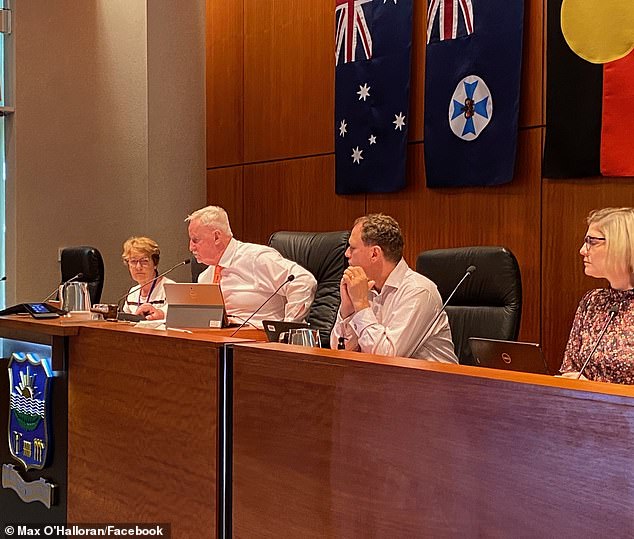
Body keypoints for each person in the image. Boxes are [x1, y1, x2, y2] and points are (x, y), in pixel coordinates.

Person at [330, 213, 458, 363]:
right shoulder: (364, 288)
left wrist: (361, 305)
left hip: (433, 384)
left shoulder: (418, 291)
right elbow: (341, 352)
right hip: (382, 383)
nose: (346, 254)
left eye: (352, 248)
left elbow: (388, 359)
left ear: (374, 254)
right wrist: (348, 311)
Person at [186, 205, 317, 326]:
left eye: (195, 240)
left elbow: (303, 281)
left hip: (260, 343)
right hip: (219, 343)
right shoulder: (206, 276)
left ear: (217, 237)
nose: (191, 247)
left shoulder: (256, 258)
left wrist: (287, 328)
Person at [559, 207, 634, 384]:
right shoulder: (593, 301)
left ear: (621, 244)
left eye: (591, 242)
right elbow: (570, 368)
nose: (582, 250)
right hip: (585, 408)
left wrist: (597, 390)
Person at [121, 236, 174, 321]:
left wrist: (160, 313)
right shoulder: (132, 293)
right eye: (133, 261)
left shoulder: (170, 288)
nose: (138, 267)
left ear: (155, 264)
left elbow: (176, 318)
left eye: (144, 261)